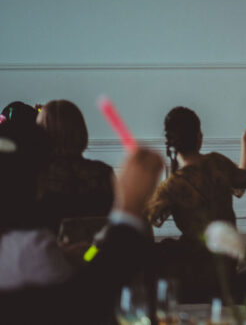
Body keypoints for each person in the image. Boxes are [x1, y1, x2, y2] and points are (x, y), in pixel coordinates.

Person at [0, 118, 164, 324]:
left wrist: (60, 256)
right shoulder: (28, 249)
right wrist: (129, 208)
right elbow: (85, 303)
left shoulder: (25, 248)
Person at [145, 106, 246, 301]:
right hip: (227, 262)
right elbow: (245, 178)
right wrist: (245, 141)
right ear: (199, 136)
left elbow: (146, 217)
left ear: (171, 143)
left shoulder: (172, 185)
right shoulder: (218, 163)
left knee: (147, 259)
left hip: (197, 271)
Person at [35, 99, 114, 232]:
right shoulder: (103, 173)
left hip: (47, 245)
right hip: (94, 245)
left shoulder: (36, 177)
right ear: (81, 131)